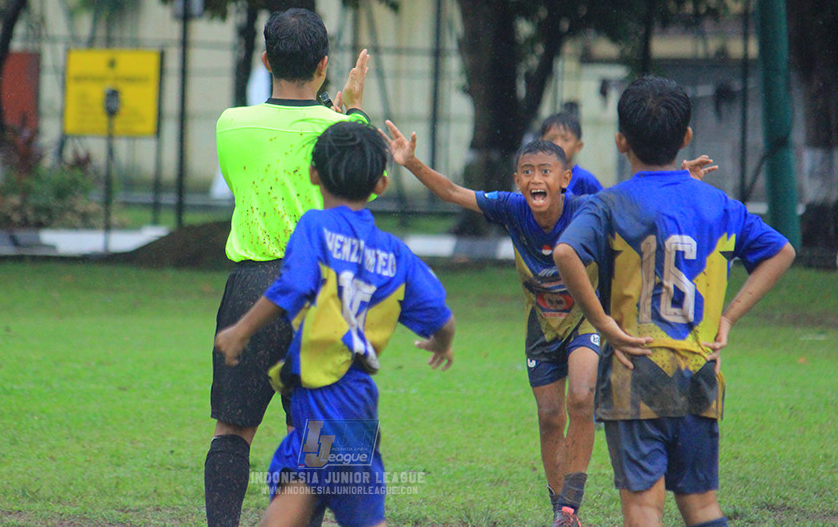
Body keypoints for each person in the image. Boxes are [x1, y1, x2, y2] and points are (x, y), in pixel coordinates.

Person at [554, 75, 795, 527]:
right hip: (700, 372)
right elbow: (782, 252)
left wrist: (603, 323)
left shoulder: (608, 205)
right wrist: (728, 319)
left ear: (621, 140)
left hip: (635, 374)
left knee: (645, 507)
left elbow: (566, 252)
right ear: (686, 137)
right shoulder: (719, 204)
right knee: (702, 506)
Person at [215, 120, 455, 527]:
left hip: (331, 397)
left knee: (337, 501)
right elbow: (441, 316)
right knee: (303, 485)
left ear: (313, 175)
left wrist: (241, 330)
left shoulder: (315, 227)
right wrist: (442, 343)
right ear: (380, 184)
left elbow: (292, 287)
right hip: (344, 399)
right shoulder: (395, 252)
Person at [382, 122, 599, 527]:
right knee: (550, 415)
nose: (536, 178)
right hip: (541, 323)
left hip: (585, 317)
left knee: (582, 398)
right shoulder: (512, 207)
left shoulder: (587, 209)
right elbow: (451, 192)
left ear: (566, 179)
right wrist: (410, 163)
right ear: (518, 180)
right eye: (528, 171)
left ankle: (572, 504)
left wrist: (677, 181)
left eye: (546, 171)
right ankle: (560, 512)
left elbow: (633, 210)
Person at [206, 7, 371, 527]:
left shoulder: (231, 125)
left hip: (252, 286)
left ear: (265, 60)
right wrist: (353, 113)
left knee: (232, 432)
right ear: (324, 65)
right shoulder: (341, 130)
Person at [540, 112, 603, 196]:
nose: (558, 145)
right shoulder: (536, 179)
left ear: (578, 146)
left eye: (565, 140)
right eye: (551, 139)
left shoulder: (585, 180)